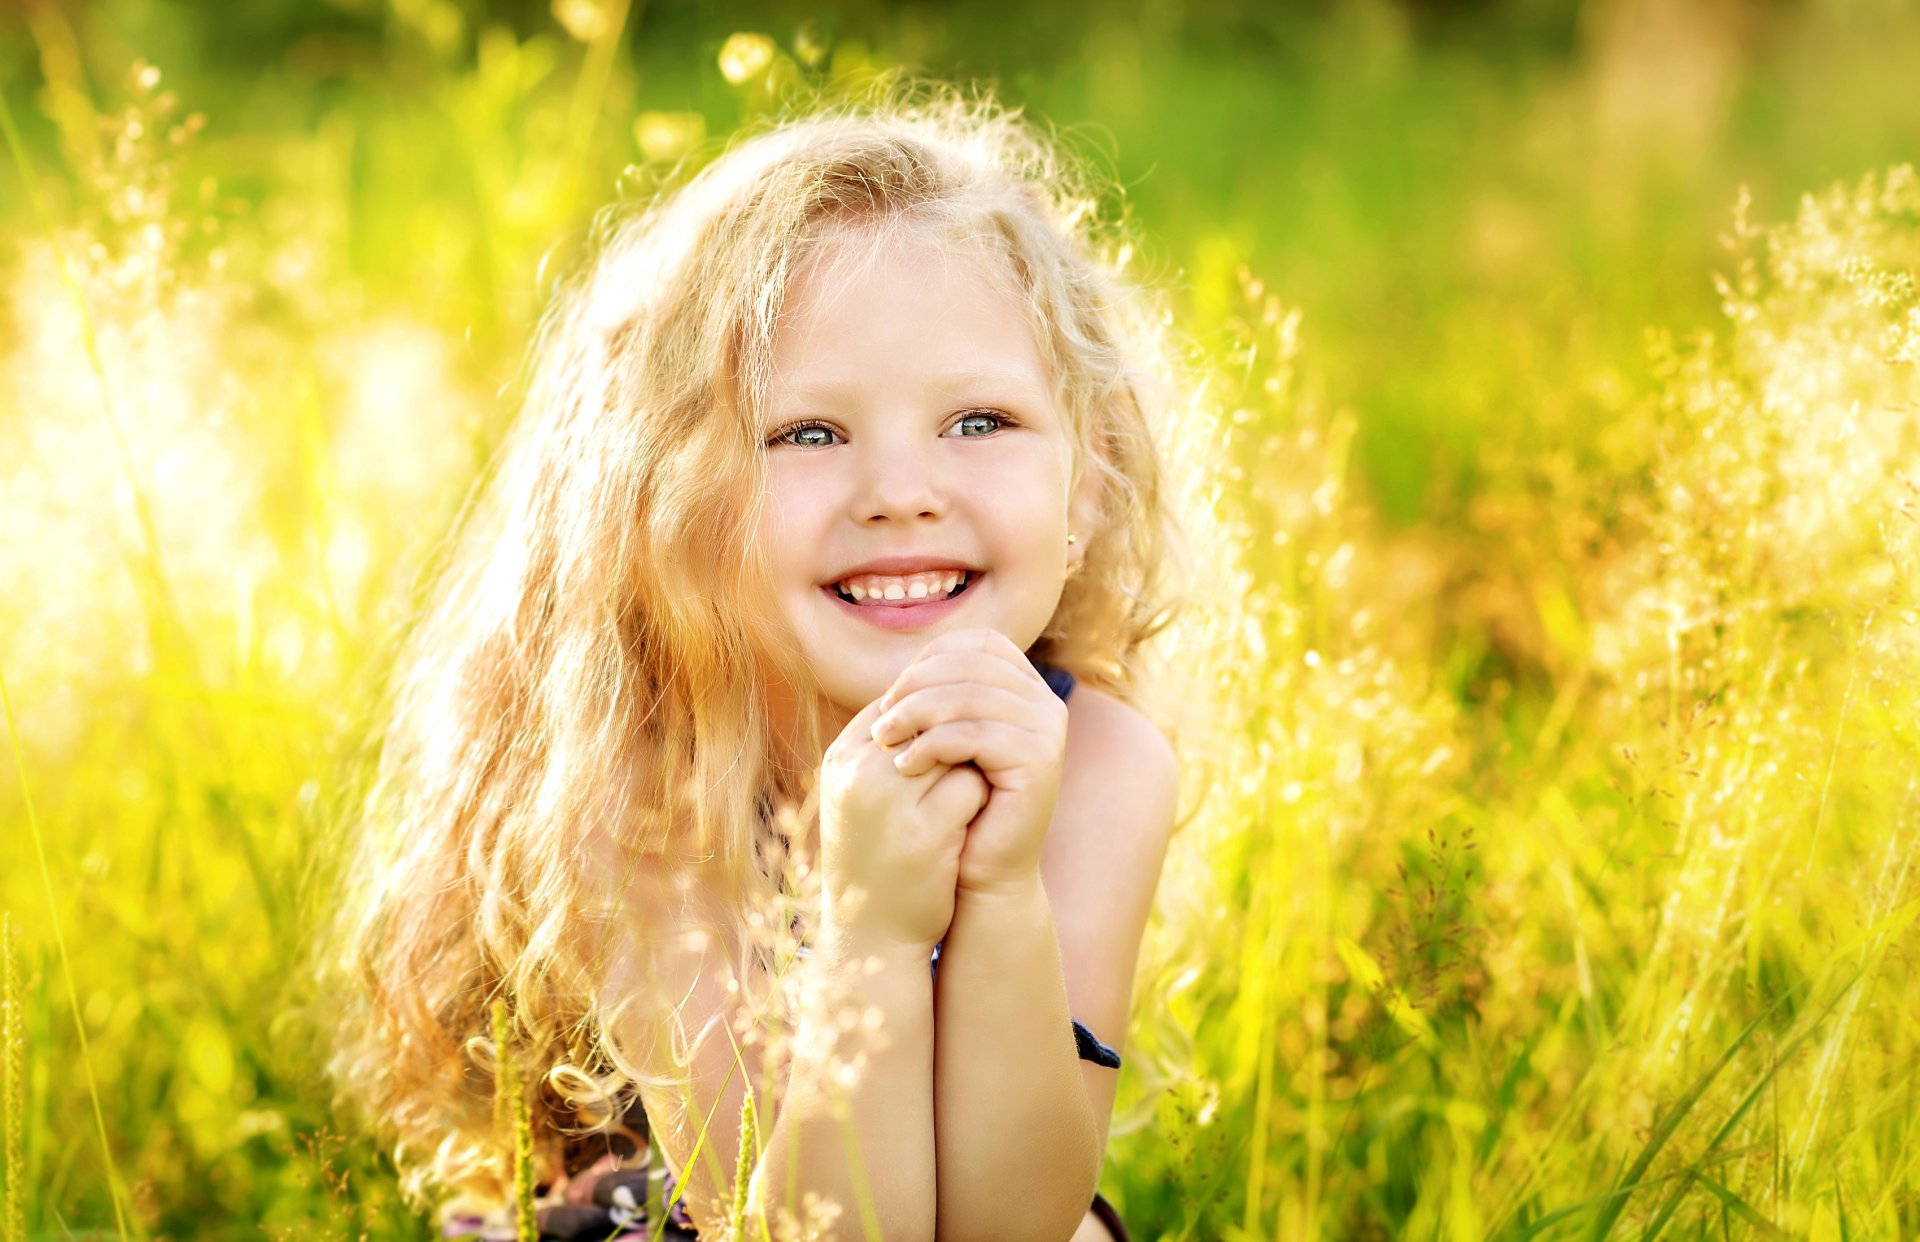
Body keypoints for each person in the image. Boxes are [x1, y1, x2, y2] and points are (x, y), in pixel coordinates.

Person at [321, 85, 1189, 1242]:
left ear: (1087, 485)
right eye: (806, 434)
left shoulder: (1099, 766)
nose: (901, 493)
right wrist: (876, 930)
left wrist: (999, 890)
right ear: (671, 504)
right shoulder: (646, 794)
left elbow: (1016, 1224)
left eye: (979, 422)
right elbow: (814, 1231)